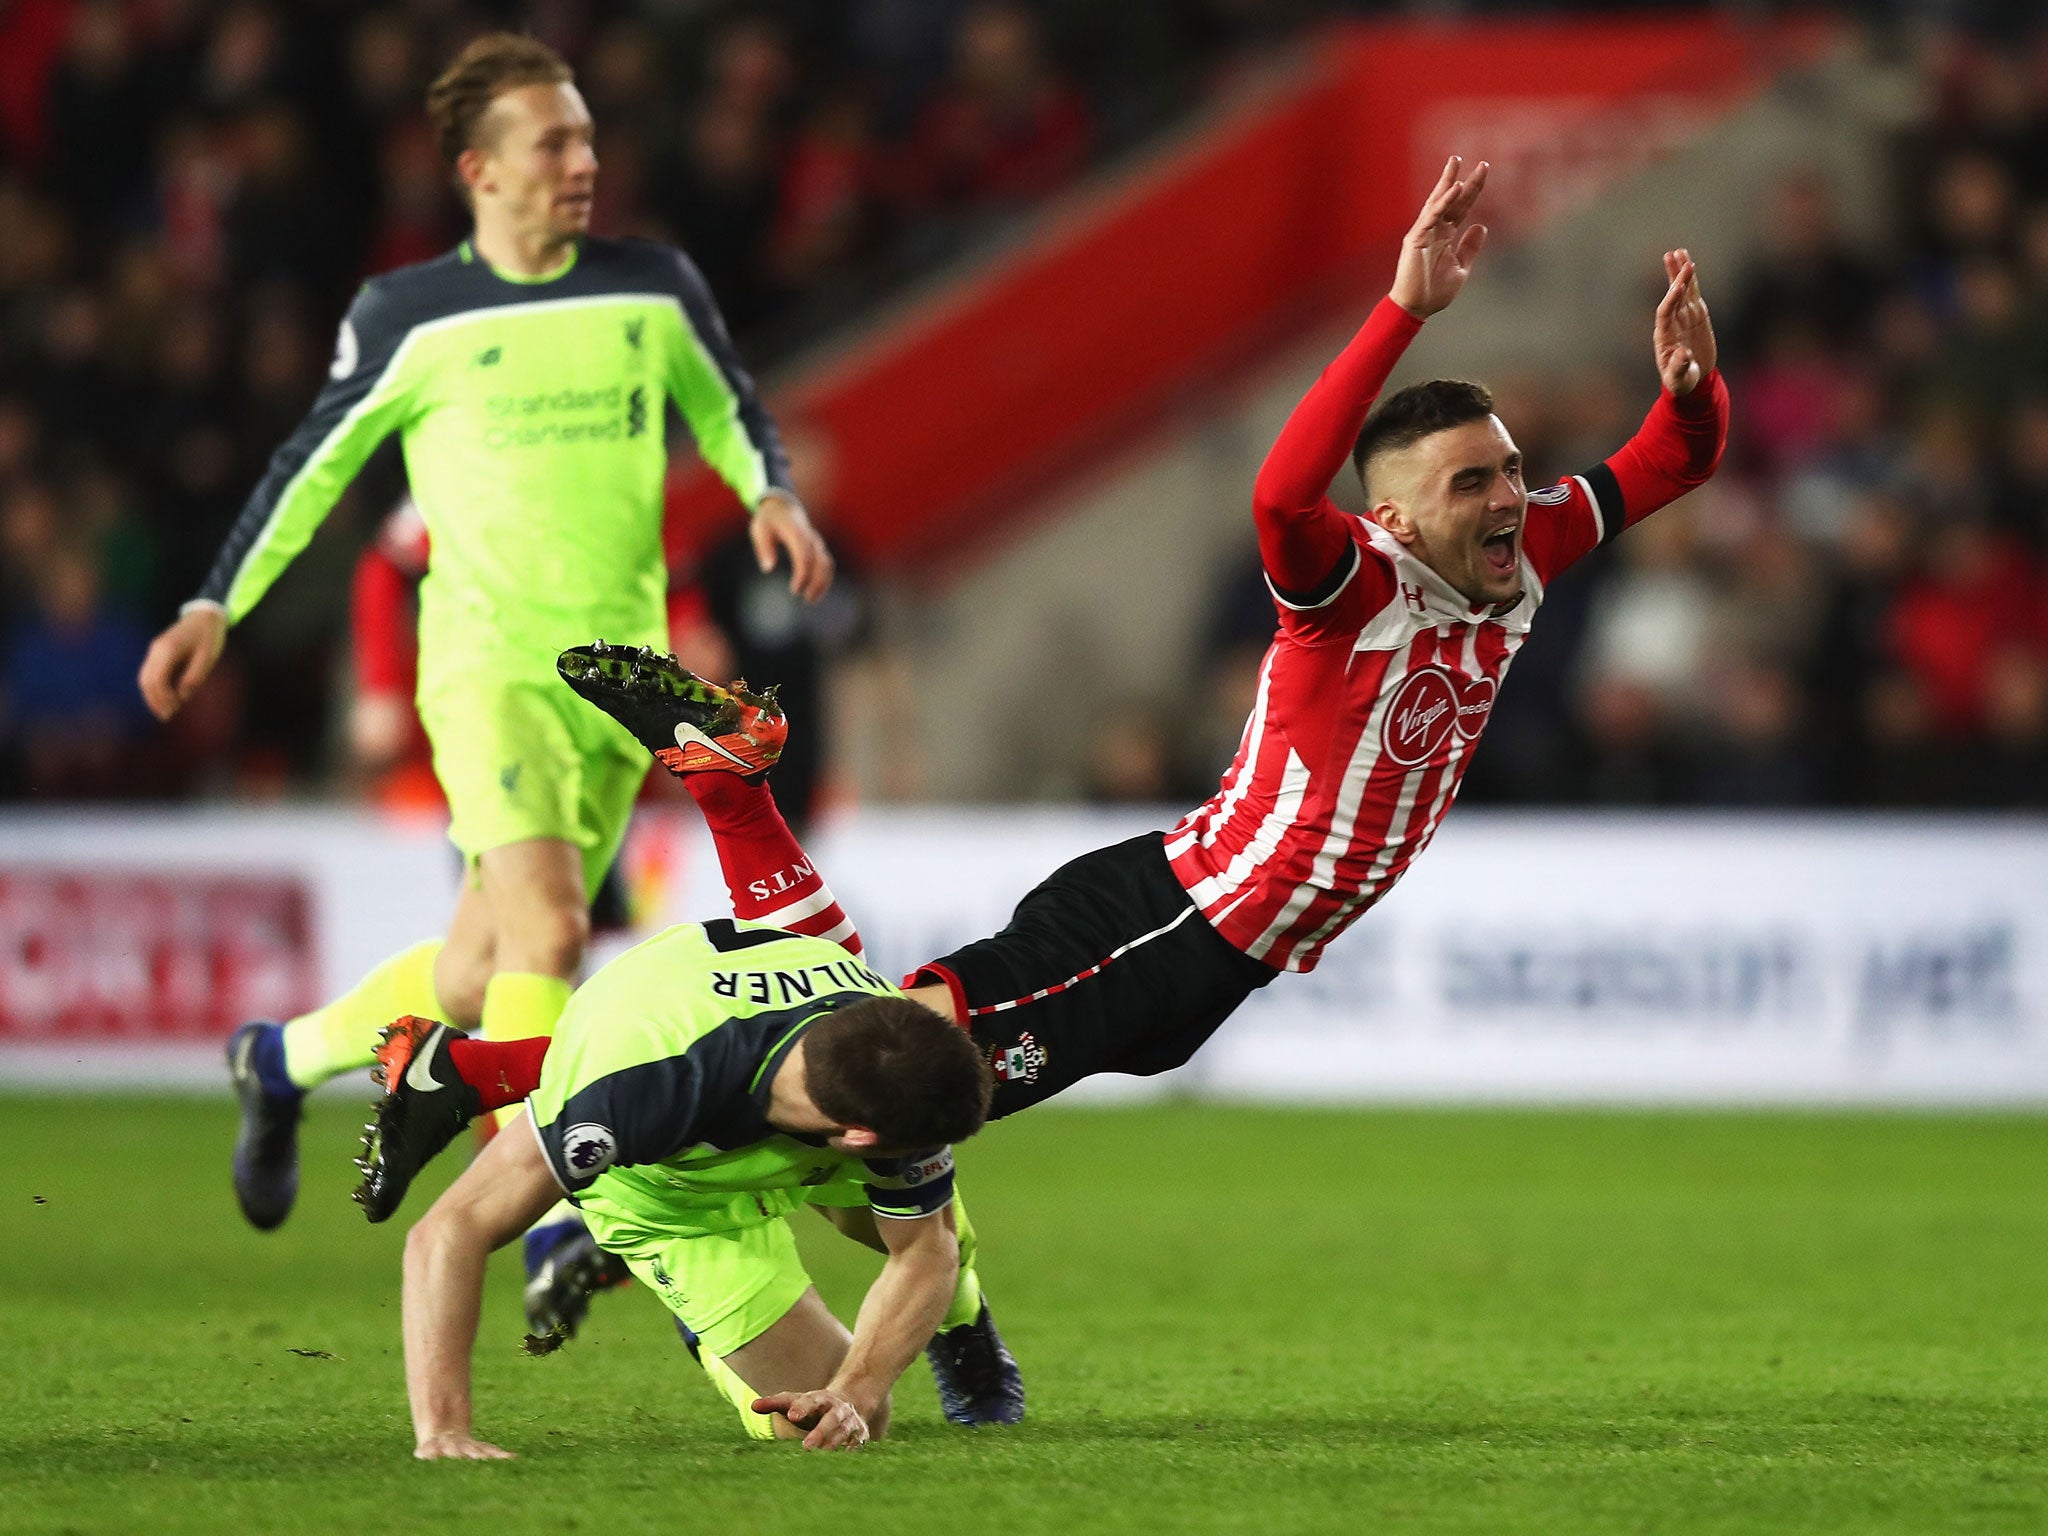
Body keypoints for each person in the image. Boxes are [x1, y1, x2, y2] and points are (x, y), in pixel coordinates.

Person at [366, 153, 1727, 1326]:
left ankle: (481, 1078)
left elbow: (1674, 456)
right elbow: (1274, 495)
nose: (1512, 496)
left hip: (1193, 928)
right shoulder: (1354, 584)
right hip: (1171, 926)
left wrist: (1689, 386)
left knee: (860, 1063)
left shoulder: (1527, 546)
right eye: (1471, 481)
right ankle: (546, 1134)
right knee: (874, 1078)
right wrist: (1398, 311)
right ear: (1401, 515)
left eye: (1507, 469)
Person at [132, 34, 834, 1236]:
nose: (582, 160)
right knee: (555, 926)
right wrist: (214, 603)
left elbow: (726, 405)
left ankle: (279, 1061)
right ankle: (540, 1217)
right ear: (480, 170)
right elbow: (313, 467)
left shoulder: (652, 284)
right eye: (553, 141)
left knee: (475, 971)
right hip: (482, 669)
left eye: (586, 137)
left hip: (623, 683)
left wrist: (768, 490)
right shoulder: (410, 313)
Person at [389, 913, 999, 1459]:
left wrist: (854, 1391)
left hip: (803, 1124)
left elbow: (924, 1249)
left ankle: (967, 1340)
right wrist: (442, 1430)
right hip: (664, 1191)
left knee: (931, 1271)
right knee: (812, 1431)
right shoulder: (635, 1088)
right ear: (861, 1137)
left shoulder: (890, 1046)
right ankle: (701, 1327)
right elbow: (449, 1228)